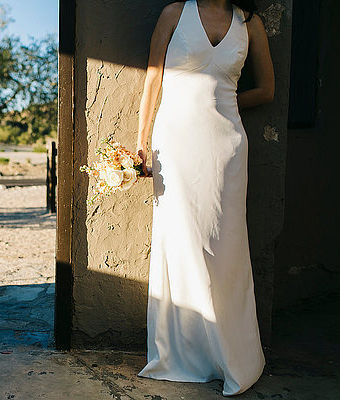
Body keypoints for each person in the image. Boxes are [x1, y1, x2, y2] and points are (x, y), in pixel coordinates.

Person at [134, 0, 275, 396]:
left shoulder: (252, 24)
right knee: (180, 243)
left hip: (228, 147)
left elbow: (266, 90)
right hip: (175, 143)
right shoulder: (174, 14)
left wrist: (222, 100)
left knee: (225, 247)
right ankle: (185, 355)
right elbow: (152, 79)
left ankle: (229, 353)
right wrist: (141, 144)